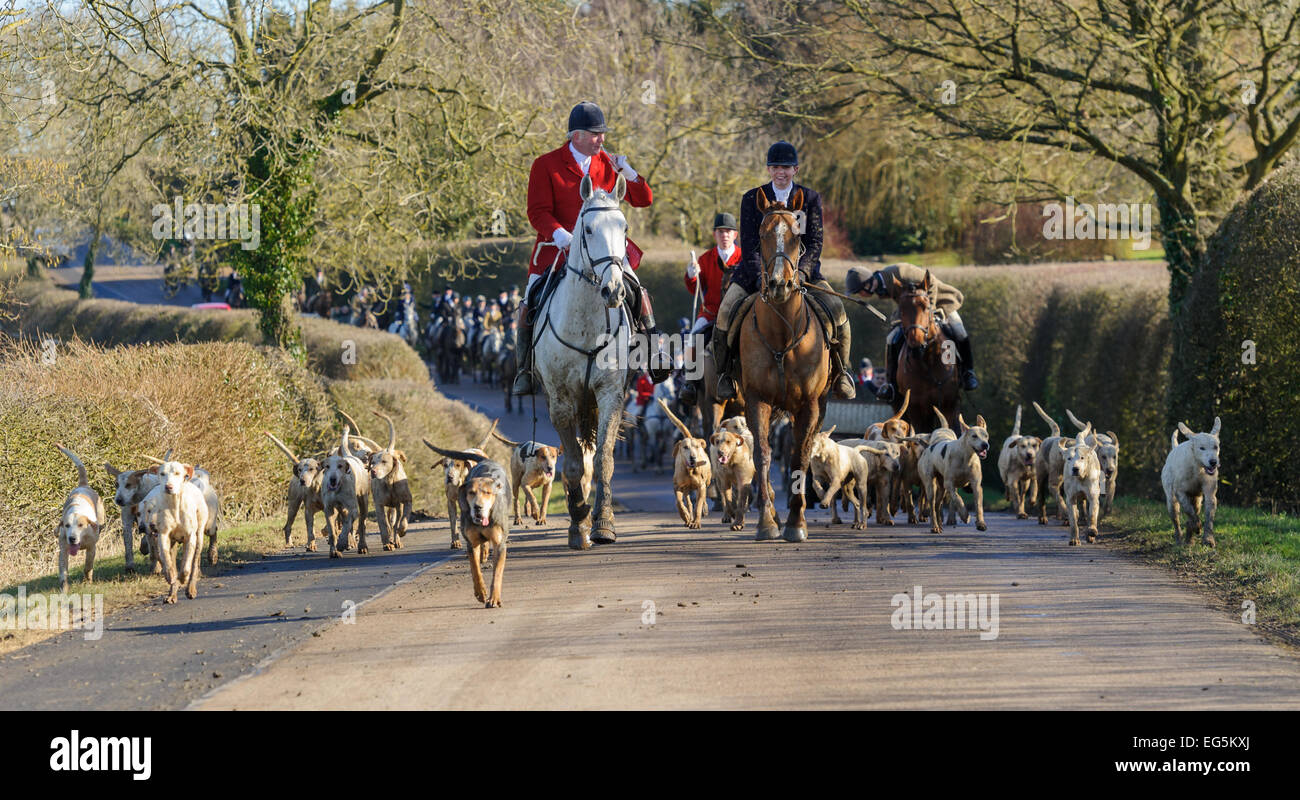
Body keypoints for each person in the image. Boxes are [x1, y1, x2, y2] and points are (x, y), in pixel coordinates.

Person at [513, 100, 664, 395]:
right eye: (595, 134)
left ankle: (654, 352)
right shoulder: (545, 165)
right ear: (576, 136)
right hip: (557, 250)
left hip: (603, 250)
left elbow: (644, 199)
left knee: (637, 290)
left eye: (602, 133)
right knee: (530, 298)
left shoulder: (608, 164)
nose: (602, 139)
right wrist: (561, 236)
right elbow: (537, 212)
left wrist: (629, 172)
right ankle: (525, 368)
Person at [710, 141, 856, 400]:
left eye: (786, 167)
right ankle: (725, 375)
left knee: (839, 312)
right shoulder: (751, 198)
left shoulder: (809, 199)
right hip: (755, 274)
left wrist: (802, 273)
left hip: (801, 274)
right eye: (776, 167)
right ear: (768, 169)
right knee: (724, 314)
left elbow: (815, 242)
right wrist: (760, 276)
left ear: (795, 169)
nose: (781, 171)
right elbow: (750, 243)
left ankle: (844, 372)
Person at [845, 262, 979, 402]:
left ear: (867, 284)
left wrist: (929, 310)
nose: (859, 295)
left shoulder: (900, 272)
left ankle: (967, 372)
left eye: (858, 291)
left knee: (958, 331)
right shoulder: (881, 286)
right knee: (891, 338)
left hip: (939, 301)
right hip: (915, 311)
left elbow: (930, 280)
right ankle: (891, 384)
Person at [679, 212, 741, 407]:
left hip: (738, 313)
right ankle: (690, 383)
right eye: (721, 231)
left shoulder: (745, 258)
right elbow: (694, 289)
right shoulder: (705, 259)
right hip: (711, 313)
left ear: (735, 235)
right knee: (693, 338)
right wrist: (691, 275)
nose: (724, 235)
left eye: (728, 231)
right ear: (714, 234)